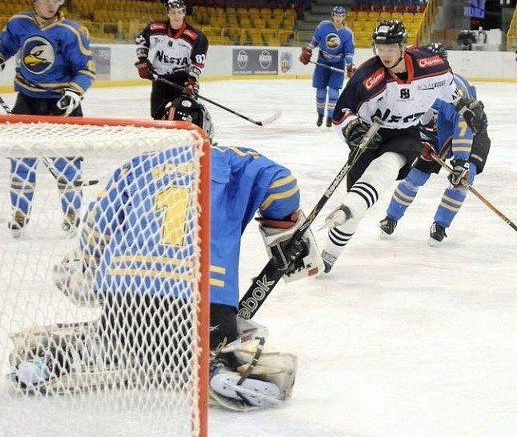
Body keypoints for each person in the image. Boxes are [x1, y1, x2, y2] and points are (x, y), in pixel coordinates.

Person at [7, 96, 323, 411]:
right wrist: (280, 224)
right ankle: (217, 366)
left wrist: (87, 265)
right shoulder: (232, 159)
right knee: (235, 337)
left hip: (126, 295)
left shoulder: (135, 166)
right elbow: (283, 184)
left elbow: (96, 229)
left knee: (112, 339)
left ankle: (55, 361)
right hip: (201, 295)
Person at [320, 20, 487, 273]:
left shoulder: (433, 67)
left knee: (394, 160)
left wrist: (466, 107)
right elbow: (341, 113)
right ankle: (329, 254)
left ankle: (434, 223)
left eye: (390, 48)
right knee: (357, 202)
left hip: (407, 134)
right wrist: (353, 129)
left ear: (402, 46)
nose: (385, 54)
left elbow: (453, 92)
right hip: (372, 133)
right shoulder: (367, 77)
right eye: (380, 48)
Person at [0, 0, 95, 238]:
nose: (51, 4)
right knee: (21, 158)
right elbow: (3, 47)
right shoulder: (19, 24)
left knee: (68, 161)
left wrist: (75, 92)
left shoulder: (72, 32)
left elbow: (86, 69)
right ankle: (20, 213)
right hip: (27, 100)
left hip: (62, 103)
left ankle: (72, 212)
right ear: (35, 0)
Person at [379, 71, 490, 245]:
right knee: (415, 176)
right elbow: (407, 126)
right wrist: (420, 143)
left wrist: (461, 162)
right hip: (436, 136)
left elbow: (464, 126)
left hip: (472, 134)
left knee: (462, 180)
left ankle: (440, 225)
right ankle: (391, 217)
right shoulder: (409, 92)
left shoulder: (451, 93)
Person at [134, 0, 209, 119]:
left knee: (184, 115)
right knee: (157, 116)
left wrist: (192, 81)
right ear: (168, 13)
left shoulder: (196, 37)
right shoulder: (156, 29)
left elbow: (198, 62)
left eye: (179, 12)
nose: (176, 16)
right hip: (160, 78)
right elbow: (141, 41)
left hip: (183, 80)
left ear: (184, 13)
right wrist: (143, 60)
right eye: (173, 12)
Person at [298, 5, 355, 128]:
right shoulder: (323, 26)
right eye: (336, 15)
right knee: (321, 92)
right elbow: (315, 41)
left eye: (340, 16)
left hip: (338, 63)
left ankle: (330, 117)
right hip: (322, 61)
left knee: (334, 93)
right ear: (332, 16)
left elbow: (349, 52)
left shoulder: (347, 33)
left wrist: (350, 66)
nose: (338, 18)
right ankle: (320, 116)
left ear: (344, 17)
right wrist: (307, 50)